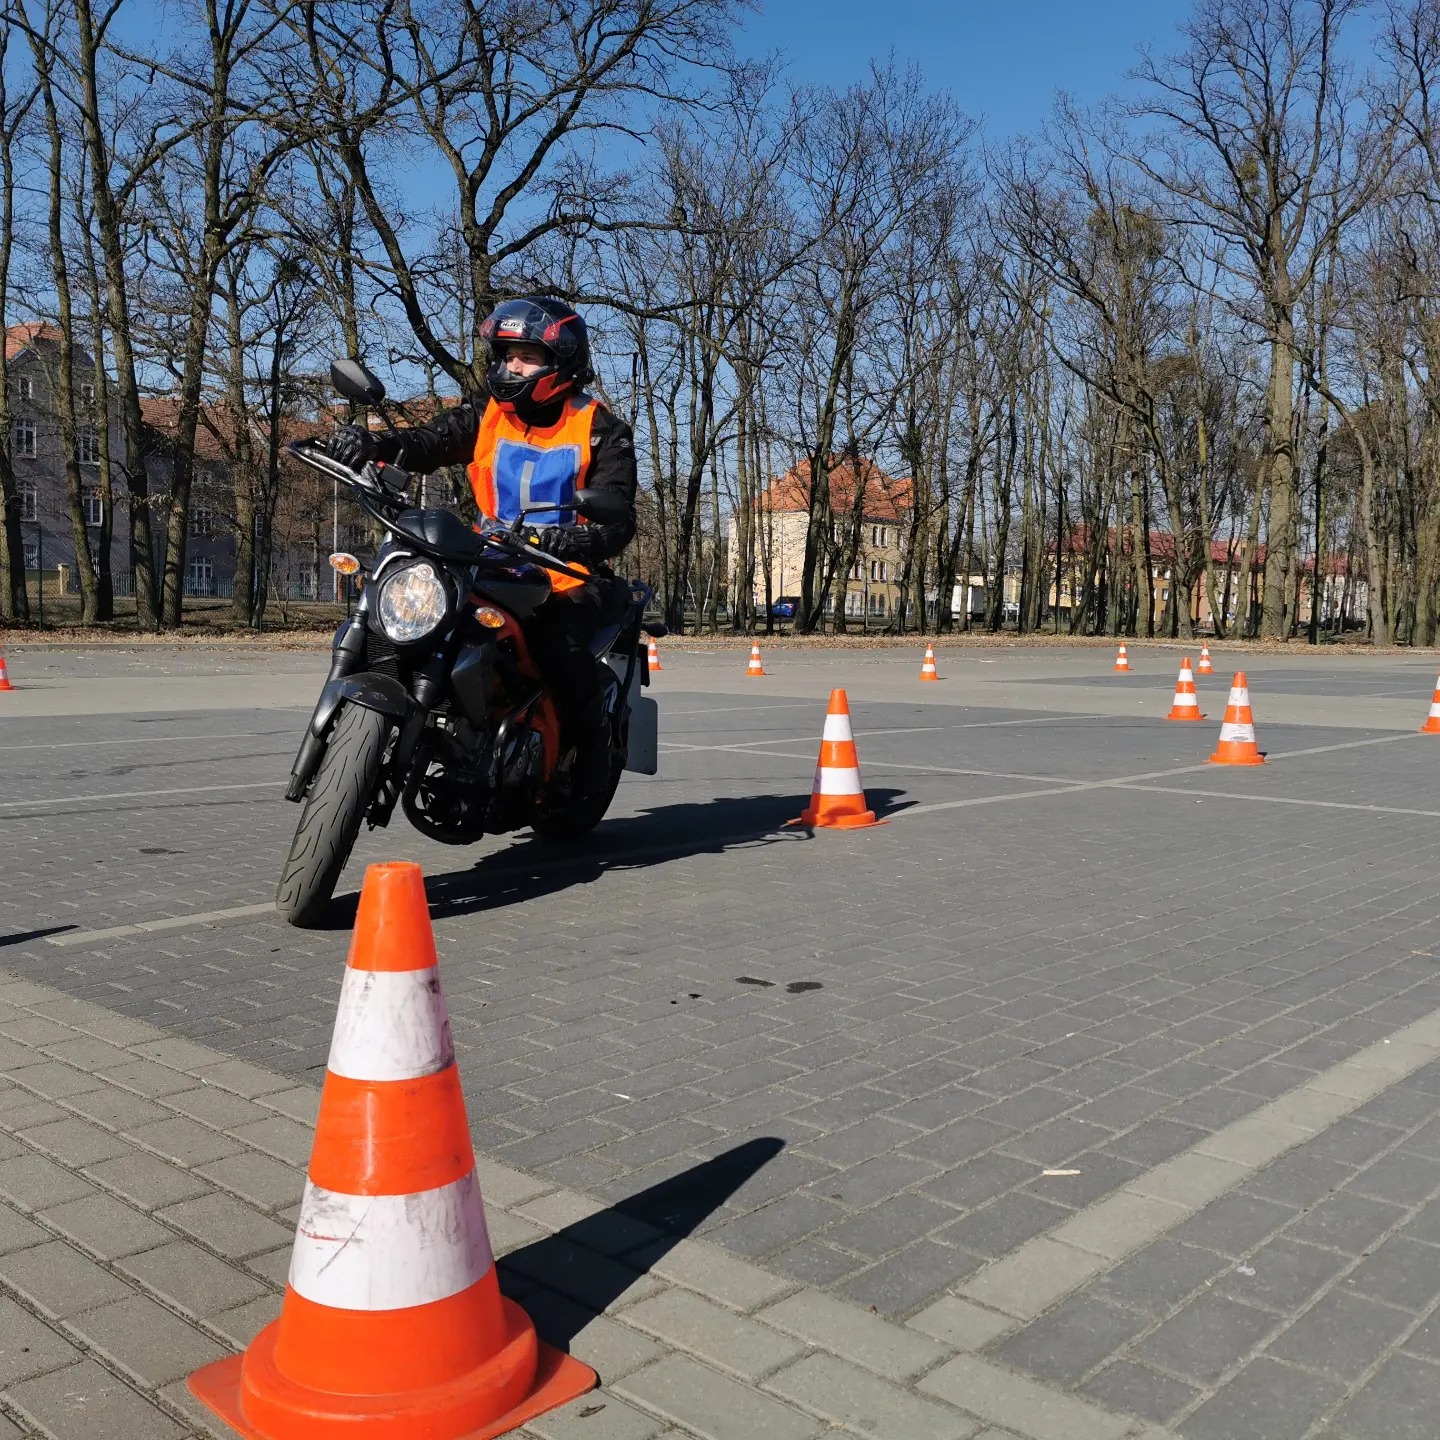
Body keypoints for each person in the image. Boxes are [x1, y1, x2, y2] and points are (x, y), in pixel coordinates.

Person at [326, 296, 637, 795]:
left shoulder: (601, 428)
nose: (512, 365)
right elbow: (430, 442)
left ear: (561, 363)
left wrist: (578, 538)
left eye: (527, 356)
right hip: (489, 559)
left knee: (558, 649)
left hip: (567, 574)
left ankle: (590, 758)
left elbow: (620, 517)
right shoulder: (488, 413)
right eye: (506, 353)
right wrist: (376, 445)